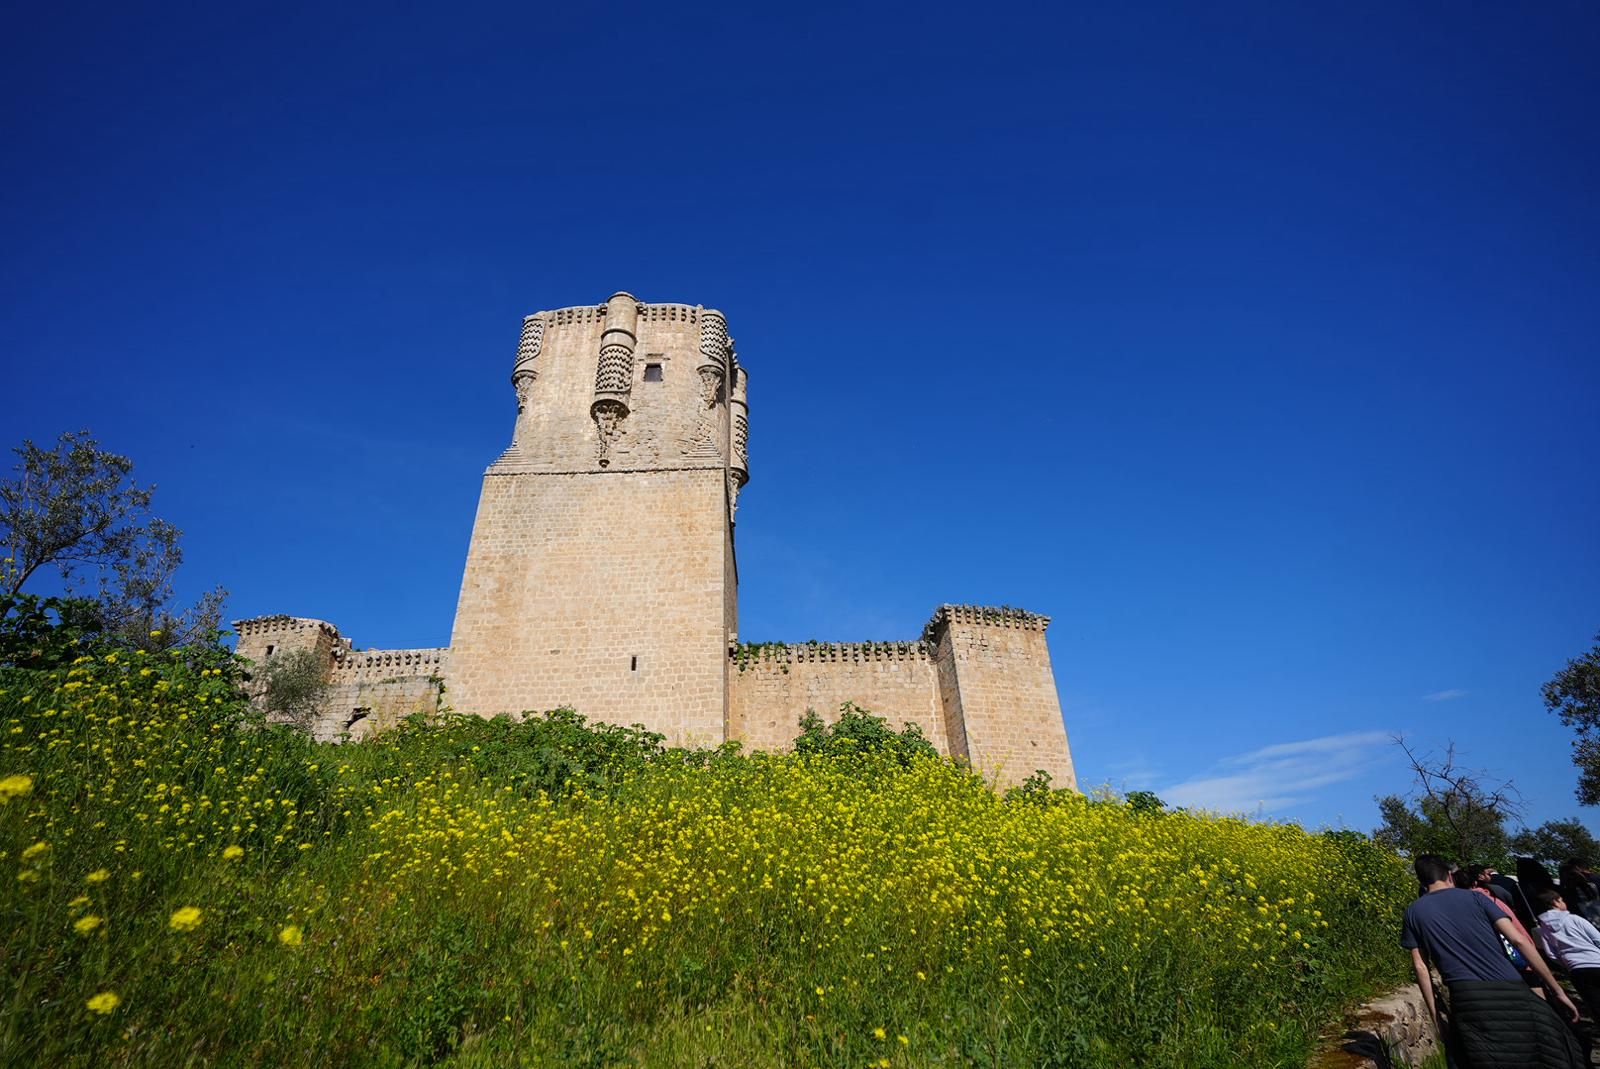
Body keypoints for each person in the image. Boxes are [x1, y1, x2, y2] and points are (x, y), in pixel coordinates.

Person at [1402, 854, 1583, 1067]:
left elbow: (1421, 967)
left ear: (1421, 882)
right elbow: (1519, 941)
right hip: (1512, 990)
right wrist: (1557, 990)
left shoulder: (1413, 912)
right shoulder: (1478, 898)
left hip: (1468, 1000)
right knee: (1550, 1053)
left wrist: (1436, 1019)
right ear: (1450, 875)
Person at [1536, 888, 1600, 1020]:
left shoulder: (1544, 928)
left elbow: (1551, 954)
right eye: (1561, 900)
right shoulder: (1574, 919)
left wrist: (1566, 963)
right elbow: (1597, 938)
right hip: (1596, 961)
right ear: (1555, 902)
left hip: (1576, 969)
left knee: (1595, 1006)